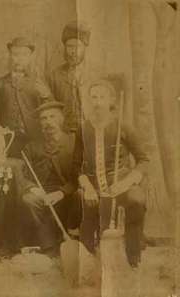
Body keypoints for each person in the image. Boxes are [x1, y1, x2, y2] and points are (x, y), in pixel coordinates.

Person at [73, 79, 149, 267]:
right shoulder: (83, 129)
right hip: (94, 187)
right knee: (80, 200)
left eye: (102, 97)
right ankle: (90, 258)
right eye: (93, 98)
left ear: (111, 101)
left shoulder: (123, 127)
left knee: (136, 201)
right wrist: (87, 186)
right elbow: (76, 166)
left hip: (121, 183)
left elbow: (144, 159)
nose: (97, 102)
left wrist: (127, 182)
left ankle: (133, 256)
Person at [19, 100, 80, 256]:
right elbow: (23, 176)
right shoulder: (32, 147)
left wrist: (61, 193)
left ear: (60, 119)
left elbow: (79, 177)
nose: (48, 122)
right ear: (40, 123)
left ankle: (70, 239)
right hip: (42, 193)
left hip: (67, 193)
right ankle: (47, 246)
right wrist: (34, 189)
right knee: (28, 200)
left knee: (80, 197)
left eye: (52, 117)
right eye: (44, 118)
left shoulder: (74, 143)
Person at [0, 37, 51, 157]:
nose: (19, 59)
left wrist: (46, 96)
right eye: (15, 54)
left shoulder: (39, 83)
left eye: (24, 55)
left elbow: (51, 111)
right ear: (10, 56)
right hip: (7, 141)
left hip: (33, 140)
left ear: (30, 58)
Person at [48, 21, 91, 132]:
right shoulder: (55, 75)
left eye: (78, 46)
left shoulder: (95, 73)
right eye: (69, 46)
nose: (73, 51)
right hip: (65, 132)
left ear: (85, 47)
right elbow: (51, 108)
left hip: (91, 130)